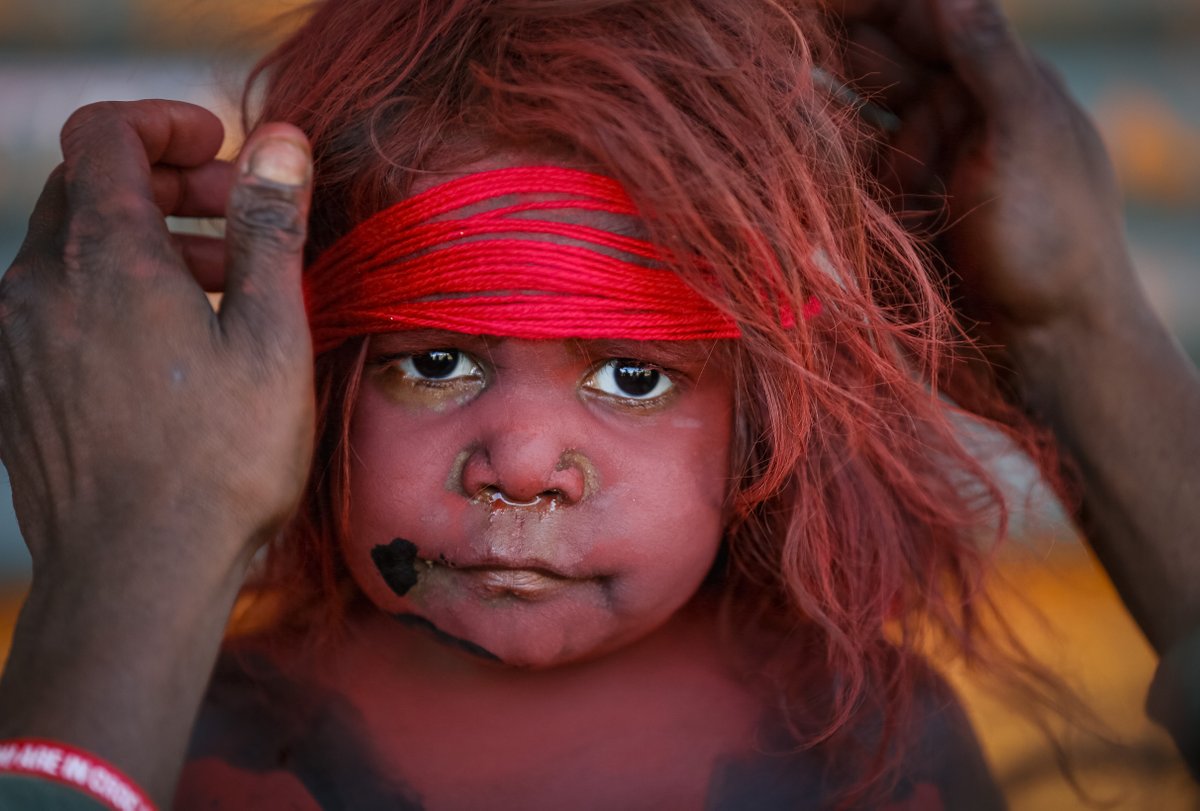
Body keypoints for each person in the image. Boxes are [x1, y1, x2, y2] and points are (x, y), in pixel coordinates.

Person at [0, 1, 1195, 810]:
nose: (520, 462)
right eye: (432, 362)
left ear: (762, 423)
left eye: (635, 375)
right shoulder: (181, 727)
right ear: (303, 370)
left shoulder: (864, 742)